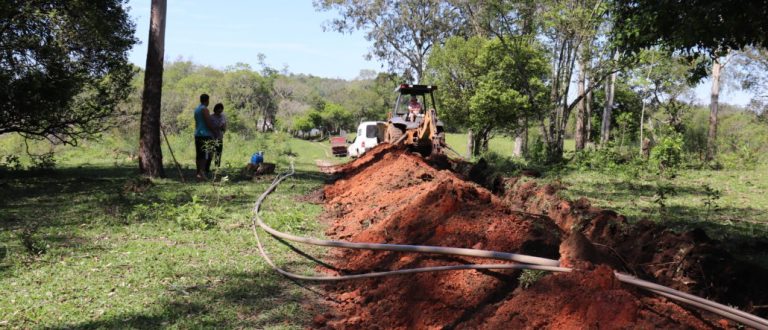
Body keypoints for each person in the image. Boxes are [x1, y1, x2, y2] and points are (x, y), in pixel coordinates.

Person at [194, 93, 215, 180]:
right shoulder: (204, 109)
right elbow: (208, 122)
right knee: (205, 155)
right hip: (205, 135)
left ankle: (198, 173)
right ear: (207, 100)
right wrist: (214, 132)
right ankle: (202, 173)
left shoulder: (197, 109)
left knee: (199, 154)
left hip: (198, 134)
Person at [210, 103, 227, 169]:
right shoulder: (211, 117)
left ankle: (217, 168)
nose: (220, 112)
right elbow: (209, 127)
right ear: (215, 110)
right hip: (212, 138)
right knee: (210, 154)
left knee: (218, 153)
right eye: (218, 111)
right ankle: (207, 168)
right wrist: (216, 127)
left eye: (221, 111)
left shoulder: (223, 116)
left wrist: (223, 128)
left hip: (219, 137)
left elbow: (225, 127)